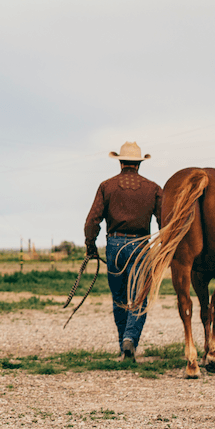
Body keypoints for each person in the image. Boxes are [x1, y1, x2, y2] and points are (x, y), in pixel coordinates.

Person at [84, 141, 162, 361]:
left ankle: (123, 346)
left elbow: (92, 220)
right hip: (140, 245)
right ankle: (130, 339)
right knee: (139, 298)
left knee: (119, 298)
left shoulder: (106, 186)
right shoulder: (153, 188)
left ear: (120, 162)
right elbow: (164, 221)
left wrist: (90, 245)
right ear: (139, 164)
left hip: (114, 246)